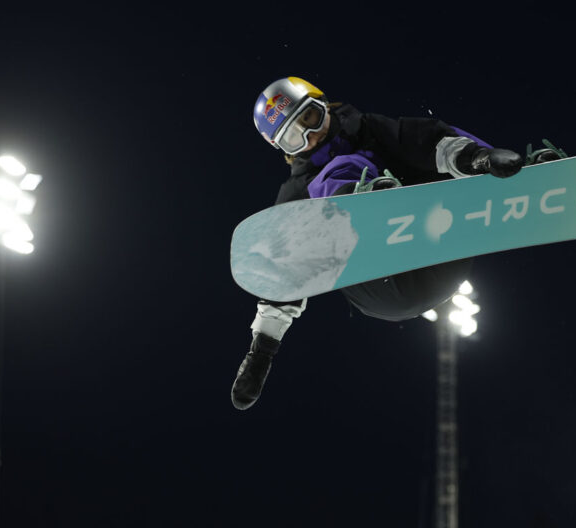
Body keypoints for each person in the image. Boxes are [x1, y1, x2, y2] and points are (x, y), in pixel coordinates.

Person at [232, 77, 559, 409]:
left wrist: (480, 157)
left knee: (428, 144)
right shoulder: (296, 195)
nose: (310, 136)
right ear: (284, 150)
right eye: (293, 138)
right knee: (339, 170)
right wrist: (260, 356)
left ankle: (510, 178)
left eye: (310, 118)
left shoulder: (371, 130)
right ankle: (362, 206)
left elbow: (428, 142)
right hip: (379, 282)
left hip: (437, 254)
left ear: (325, 105)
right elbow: (284, 276)